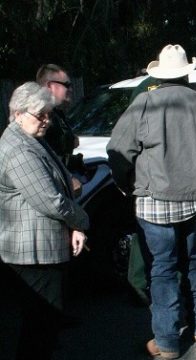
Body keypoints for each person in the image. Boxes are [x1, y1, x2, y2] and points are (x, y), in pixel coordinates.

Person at [107, 44, 196, 359]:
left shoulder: (144, 104)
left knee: (162, 270)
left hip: (154, 201)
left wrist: (128, 186)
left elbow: (118, 151)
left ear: (159, 74)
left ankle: (166, 343)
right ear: (186, 72)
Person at [0, 82, 89, 359]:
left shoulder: (29, 138)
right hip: (33, 254)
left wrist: (73, 223)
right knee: (39, 329)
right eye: (41, 115)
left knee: (42, 326)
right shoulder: (19, 149)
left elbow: (59, 178)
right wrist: (82, 220)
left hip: (40, 248)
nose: (47, 121)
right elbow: (50, 200)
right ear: (18, 114)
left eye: (49, 115)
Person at [36, 64, 79, 168]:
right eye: (67, 85)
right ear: (50, 86)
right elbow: (39, 160)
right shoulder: (36, 116)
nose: (71, 90)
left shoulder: (56, 114)